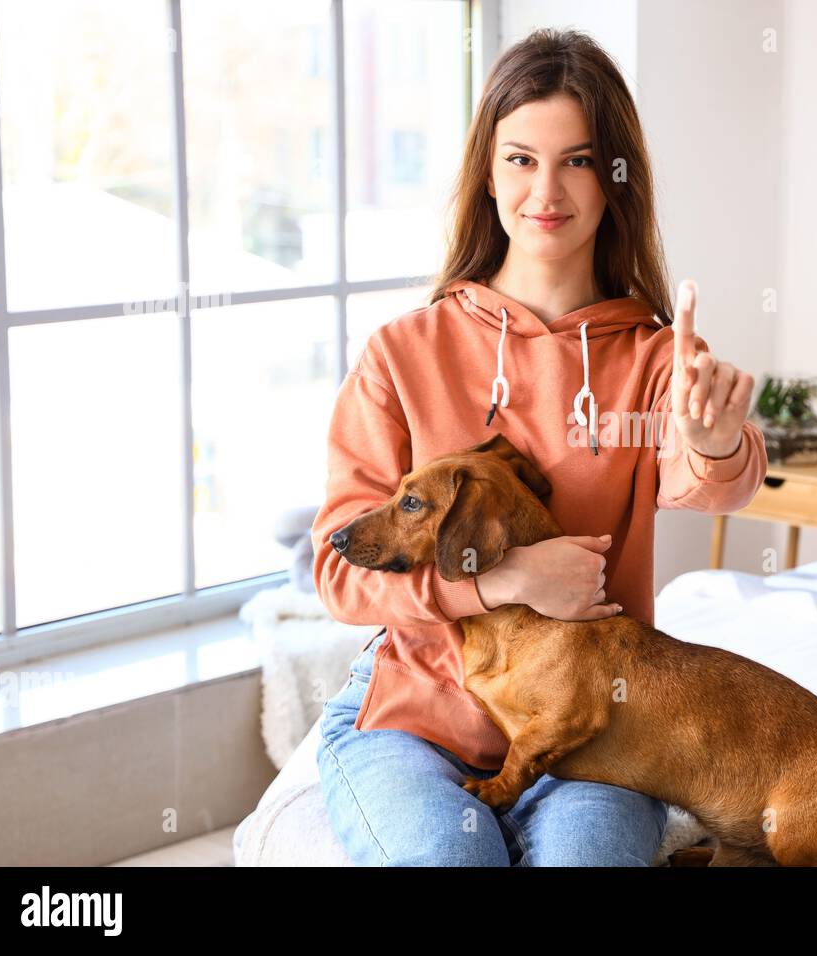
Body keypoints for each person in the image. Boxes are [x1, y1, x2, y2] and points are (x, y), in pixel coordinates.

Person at [313, 27, 767, 866]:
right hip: (414, 724)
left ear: (615, 180)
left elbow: (714, 483)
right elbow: (338, 571)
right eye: (521, 159)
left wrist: (714, 439)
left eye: (579, 160)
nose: (546, 189)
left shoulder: (653, 358)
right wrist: (501, 582)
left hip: (593, 737)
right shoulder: (402, 353)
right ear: (488, 174)